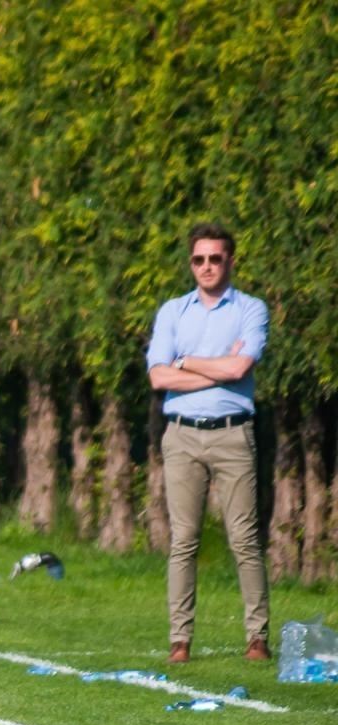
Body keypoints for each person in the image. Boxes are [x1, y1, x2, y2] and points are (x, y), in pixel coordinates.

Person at [145, 222, 271, 665]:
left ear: (230, 261)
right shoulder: (172, 312)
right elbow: (159, 376)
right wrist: (216, 367)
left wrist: (187, 362)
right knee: (184, 540)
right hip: (181, 434)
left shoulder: (251, 310)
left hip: (233, 433)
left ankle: (257, 636)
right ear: (190, 263)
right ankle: (180, 639)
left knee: (244, 538)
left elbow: (240, 369)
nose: (207, 266)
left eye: (215, 258)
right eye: (199, 259)